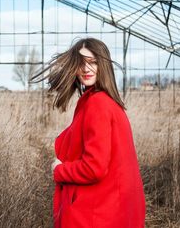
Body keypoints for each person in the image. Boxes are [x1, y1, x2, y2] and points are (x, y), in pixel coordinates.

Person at [31, 37, 145, 228]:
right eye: (80, 63)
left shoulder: (97, 103)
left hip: (98, 213)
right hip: (116, 209)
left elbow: (94, 167)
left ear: (104, 65)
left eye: (93, 62)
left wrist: (59, 170)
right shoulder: (110, 103)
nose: (86, 69)